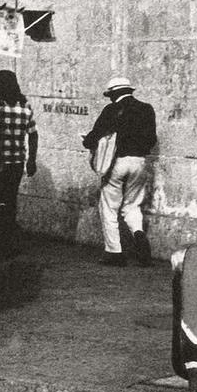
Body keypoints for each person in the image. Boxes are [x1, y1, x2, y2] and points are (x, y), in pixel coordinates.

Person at [83, 77, 158, 265]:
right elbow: (152, 138)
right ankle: (139, 234)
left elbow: (95, 135)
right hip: (140, 162)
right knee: (132, 205)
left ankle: (114, 252)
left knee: (109, 206)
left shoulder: (111, 110)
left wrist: (87, 141)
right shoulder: (146, 109)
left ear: (114, 93)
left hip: (117, 163)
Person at [0, 70, 38, 250]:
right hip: (16, 162)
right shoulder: (25, 107)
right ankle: (7, 239)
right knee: (10, 199)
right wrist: (31, 160)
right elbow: (33, 135)